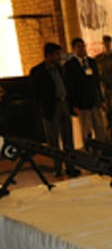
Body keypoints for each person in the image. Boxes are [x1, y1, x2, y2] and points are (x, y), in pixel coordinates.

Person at [29, 42, 79, 177]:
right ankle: (57, 168)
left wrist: (72, 105)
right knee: (54, 140)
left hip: (64, 104)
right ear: (48, 55)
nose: (59, 57)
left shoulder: (61, 69)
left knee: (68, 138)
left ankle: (70, 167)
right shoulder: (38, 72)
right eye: (57, 54)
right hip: (51, 108)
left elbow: (68, 87)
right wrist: (40, 112)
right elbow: (34, 94)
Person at [64, 37, 106, 143]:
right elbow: (70, 86)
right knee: (86, 129)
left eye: (84, 46)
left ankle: (103, 148)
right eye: (79, 47)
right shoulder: (70, 65)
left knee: (100, 127)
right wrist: (74, 105)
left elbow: (97, 82)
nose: (83, 49)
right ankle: (90, 148)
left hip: (95, 101)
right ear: (74, 49)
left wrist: (102, 99)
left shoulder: (91, 62)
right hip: (82, 103)